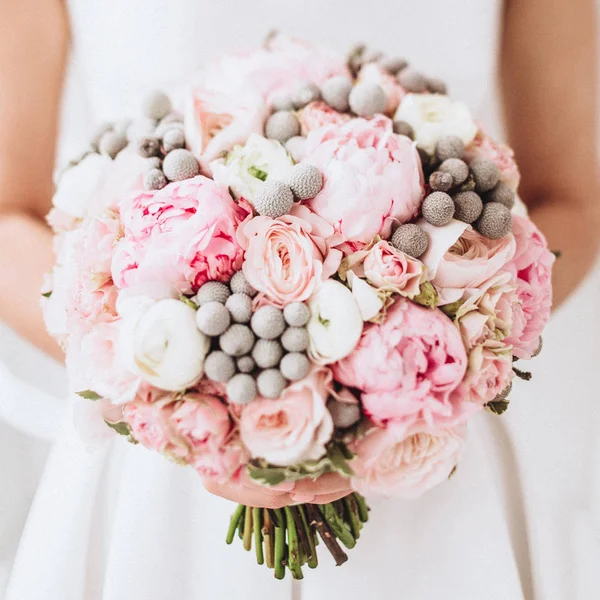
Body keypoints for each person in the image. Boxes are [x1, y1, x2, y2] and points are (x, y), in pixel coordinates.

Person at [1, 0, 600, 598]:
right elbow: (6, 218)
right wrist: (181, 390)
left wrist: (425, 363)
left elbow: (573, 201)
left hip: (432, 436)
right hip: (164, 470)